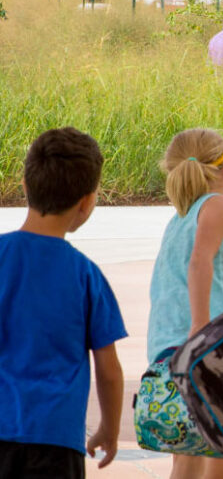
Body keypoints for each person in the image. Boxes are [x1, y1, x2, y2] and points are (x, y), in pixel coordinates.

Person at [0, 128, 126, 477]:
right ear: (86, 203)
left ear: (25, 184)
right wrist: (109, 430)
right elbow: (109, 369)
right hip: (56, 442)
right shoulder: (87, 276)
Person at [148, 128, 223, 479]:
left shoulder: (179, 220)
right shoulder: (221, 205)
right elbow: (201, 263)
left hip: (168, 347)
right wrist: (200, 327)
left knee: (187, 455)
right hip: (212, 347)